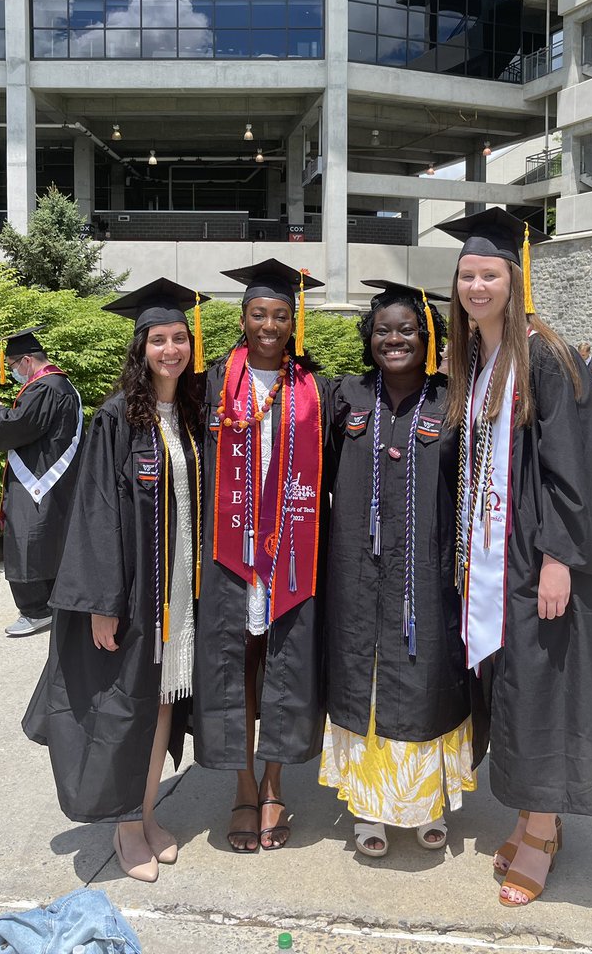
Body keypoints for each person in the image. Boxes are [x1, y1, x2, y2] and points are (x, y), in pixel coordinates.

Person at [437, 207, 592, 908]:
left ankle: (543, 832)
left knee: (544, 688)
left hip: (539, 560)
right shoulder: (482, 360)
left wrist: (559, 557)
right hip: (498, 562)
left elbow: (579, 464)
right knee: (518, 688)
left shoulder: (543, 354)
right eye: (467, 276)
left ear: (515, 281)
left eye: (490, 274)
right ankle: (530, 814)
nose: (477, 286)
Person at [22, 279, 207, 883]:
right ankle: (128, 831)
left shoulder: (189, 414)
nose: (172, 349)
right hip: (132, 597)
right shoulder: (116, 420)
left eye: (179, 337)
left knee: (159, 707)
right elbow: (96, 513)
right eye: (159, 339)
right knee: (127, 709)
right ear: (141, 348)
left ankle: (148, 813)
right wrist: (102, 604)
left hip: (179, 590)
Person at [319, 281, 478, 859]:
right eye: (383, 330)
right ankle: (368, 807)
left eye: (407, 330)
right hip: (358, 572)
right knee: (365, 674)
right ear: (369, 338)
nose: (394, 339)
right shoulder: (347, 397)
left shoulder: (450, 400)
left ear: (427, 336)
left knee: (424, 676)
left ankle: (426, 802)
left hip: (426, 572)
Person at [193, 259, 335, 853]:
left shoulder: (317, 388)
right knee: (236, 670)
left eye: (280, 314)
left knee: (284, 669)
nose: (269, 324)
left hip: (292, 557)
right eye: (258, 314)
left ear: (293, 320)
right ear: (243, 318)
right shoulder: (210, 385)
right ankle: (243, 788)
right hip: (230, 555)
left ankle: (276, 785)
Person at [0, 327, 84, 637]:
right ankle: (55, 602)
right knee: (49, 539)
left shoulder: (44, 388)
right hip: (54, 476)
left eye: (13, 366)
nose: (13, 372)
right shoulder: (62, 384)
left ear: (27, 361)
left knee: (26, 540)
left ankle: (35, 611)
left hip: (38, 479)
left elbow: (17, 427)